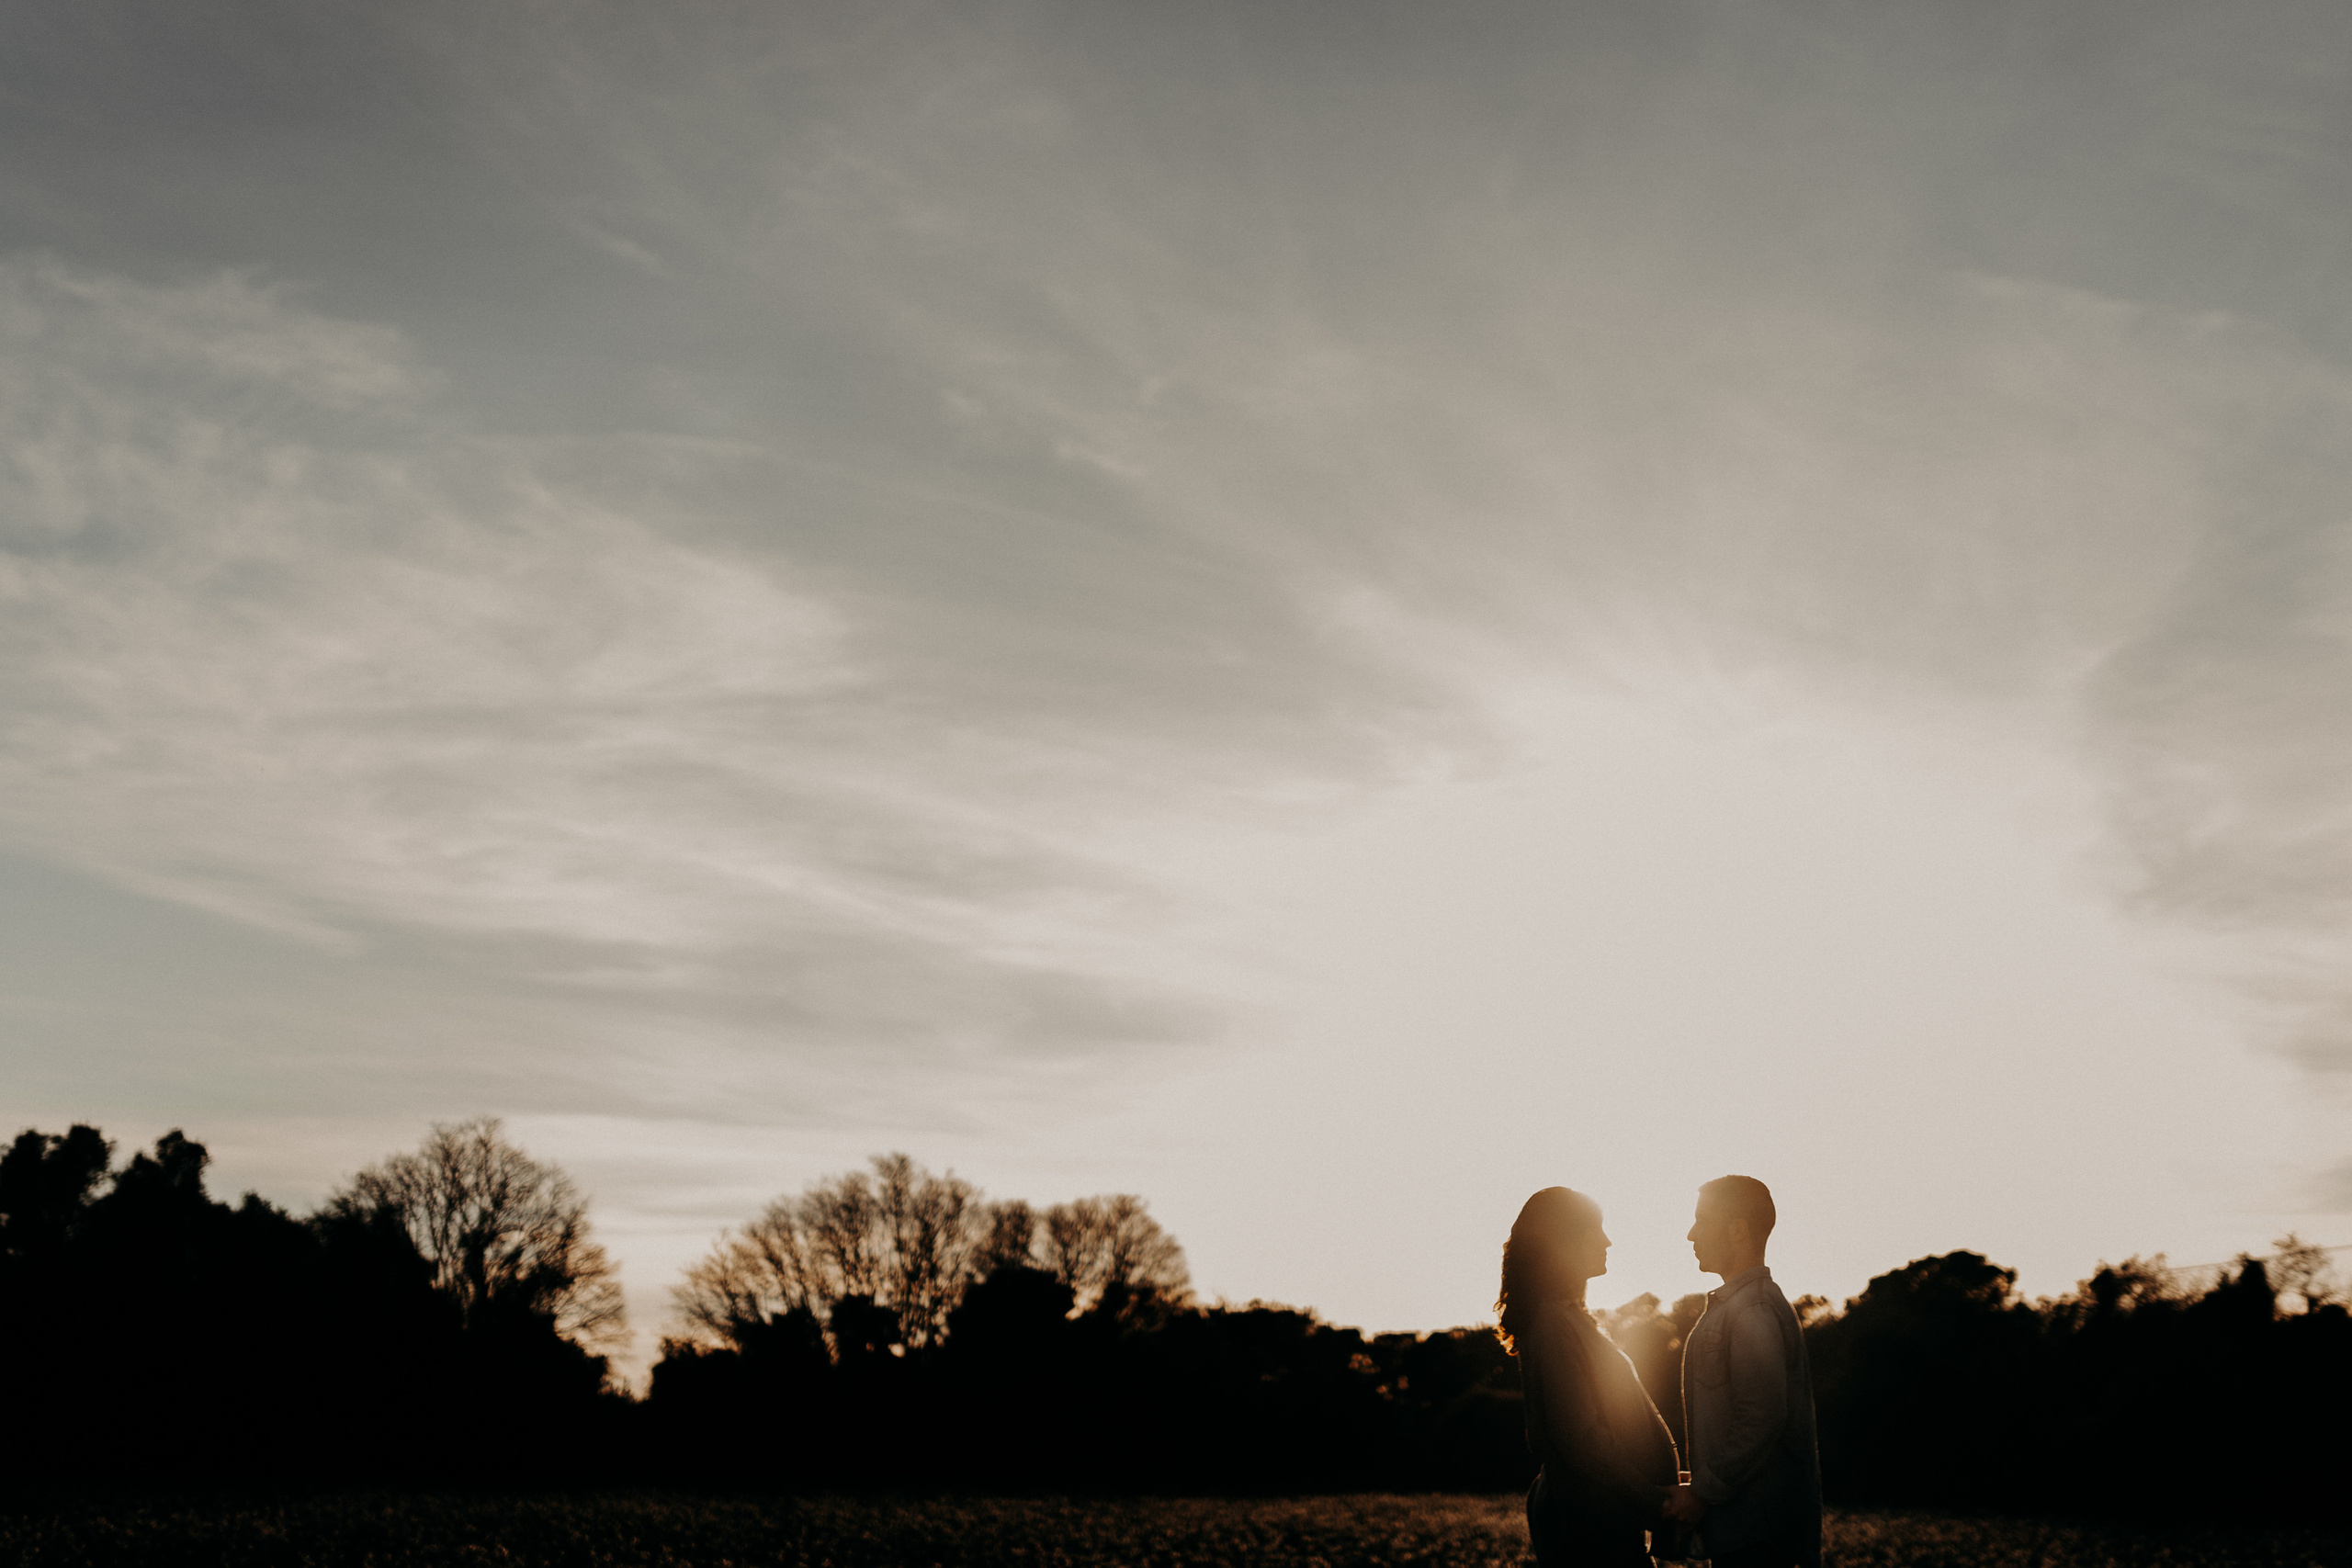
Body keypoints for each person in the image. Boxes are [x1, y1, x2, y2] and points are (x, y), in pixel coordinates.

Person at [1498, 1187, 1680, 1568]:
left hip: (1603, 1519)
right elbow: (1583, 1442)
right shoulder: (1553, 1325)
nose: (1607, 1241)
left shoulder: (1568, 1319)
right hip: (1589, 1529)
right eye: (1594, 1229)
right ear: (1561, 1242)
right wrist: (1656, 1498)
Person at [1663, 1175, 1823, 1568]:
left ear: (1737, 1229)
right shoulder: (1742, 1305)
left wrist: (1701, 1491)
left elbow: (1761, 1416)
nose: (1690, 1234)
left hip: (1761, 1537)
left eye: (1702, 1220)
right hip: (1749, 1530)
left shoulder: (1753, 1310)